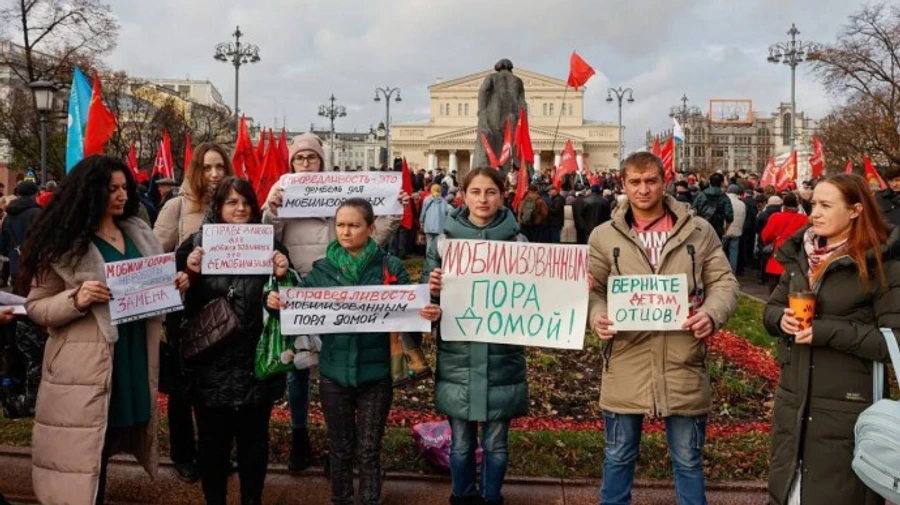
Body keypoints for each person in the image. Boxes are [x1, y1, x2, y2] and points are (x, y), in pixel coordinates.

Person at [18, 155, 190, 505]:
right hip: (84, 368)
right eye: (112, 189)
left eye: (125, 188)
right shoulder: (63, 242)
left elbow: (150, 287)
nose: (122, 195)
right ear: (89, 192)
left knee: (106, 444)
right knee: (84, 454)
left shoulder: (138, 231)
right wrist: (76, 298)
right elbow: (37, 306)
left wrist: (174, 285)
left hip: (131, 356)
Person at [267, 198, 441, 505]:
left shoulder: (391, 267)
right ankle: (341, 499)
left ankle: (370, 499)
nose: (345, 232)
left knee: (369, 449)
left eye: (354, 225)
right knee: (340, 448)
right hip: (334, 374)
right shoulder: (323, 269)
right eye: (341, 225)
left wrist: (427, 313)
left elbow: (410, 322)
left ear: (371, 228)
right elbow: (296, 309)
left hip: (377, 374)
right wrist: (277, 302)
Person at [588, 152, 739, 505]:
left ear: (664, 181)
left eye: (651, 181)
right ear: (623, 184)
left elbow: (724, 282)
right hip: (625, 360)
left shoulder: (699, 231)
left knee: (688, 460)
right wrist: (597, 315)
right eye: (635, 182)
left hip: (683, 361)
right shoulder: (603, 236)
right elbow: (594, 289)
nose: (643, 189)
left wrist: (711, 314)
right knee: (618, 455)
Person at [263, 132, 408, 472]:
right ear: (291, 163)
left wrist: (394, 210)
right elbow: (267, 235)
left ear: (321, 161)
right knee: (298, 370)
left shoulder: (341, 195)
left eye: (311, 157)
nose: (305, 164)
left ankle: (339, 448)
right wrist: (273, 210)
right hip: (303, 288)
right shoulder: (282, 192)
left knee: (337, 375)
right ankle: (300, 436)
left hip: (341, 290)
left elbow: (371, 236)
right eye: (299, 158)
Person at [763, 173, 900, 505]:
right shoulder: (801, 254)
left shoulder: (882, 263)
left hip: (848, 406)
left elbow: (892, 342)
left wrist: (824, 332)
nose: (815, 214)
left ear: (855, 210)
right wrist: (781, 319)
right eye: (813, 205)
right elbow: (771, 310)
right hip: (794, 400)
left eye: (826, 205)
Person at [177, 177, 289, 505]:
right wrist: (190, 273)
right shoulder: (195, 245)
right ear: (217, 207)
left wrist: (283, 278)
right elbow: (175, 304)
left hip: (256, 364)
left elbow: (290, 304)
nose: (240, 209)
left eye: (246, 202)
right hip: (211, 367)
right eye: (232, 202)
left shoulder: (270, 245)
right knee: (212, 449)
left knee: (254, 447)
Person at [424, 167, 528, 505]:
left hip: (502, 355)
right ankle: (462, 496)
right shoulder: (443, 243)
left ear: (502, 196)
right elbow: (426, 299)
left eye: (491, 192)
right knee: (461, 444)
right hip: (459, 355)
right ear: (463, 196)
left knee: (497, 444)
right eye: (476, 192)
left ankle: (492, 497)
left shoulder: (518, 242)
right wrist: (432, 291)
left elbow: (536, 297)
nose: (483, 199)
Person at [154, 142, 233, 482]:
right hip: (184, 308)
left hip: (224, 310)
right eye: (207, 167)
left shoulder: (234, 203)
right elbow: (155, 257)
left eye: (220, 167)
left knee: (218, 386)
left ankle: (214, 453)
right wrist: (182, 270)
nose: (214, 174)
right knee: (182, 387)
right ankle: (183, 454)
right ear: (196, 170)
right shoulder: (176, 206)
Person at [759, 193, 809, 294]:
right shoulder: (803, 219)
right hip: (795, 257)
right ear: (797, 206)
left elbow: (766, 236)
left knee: (774, 287)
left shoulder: (775, 217)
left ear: (783, 206)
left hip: (777, 254)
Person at [0, 182, 41, 294]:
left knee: (17, 296)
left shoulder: (9, 214)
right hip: (33, 263)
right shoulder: (37, 213)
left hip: (15, 261)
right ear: (34, 194)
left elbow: (4, 238)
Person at [692, 172, 733, 240]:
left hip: (702, 227)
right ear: (721, 183)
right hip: (717, 230)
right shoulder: (724, 197)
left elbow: (693, 210)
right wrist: (725, 229)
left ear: (710, 182)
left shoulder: (701, 195)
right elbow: (729, 216)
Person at [722, 185, 747, 273]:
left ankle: (722, 271)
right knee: (734, 253)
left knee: (720, 252)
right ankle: (732, 272)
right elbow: (744, 217)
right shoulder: (742, 204)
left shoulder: (724, 201)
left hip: (725, 230)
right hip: (737, 232)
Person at [420, 183, 450, 252]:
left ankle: (429, 257)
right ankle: (436, 258)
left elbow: (423, 212)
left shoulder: (427, 199)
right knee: (438, 246)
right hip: (440, 226)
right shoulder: (444, 201)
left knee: (429, 244)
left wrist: (421, 221)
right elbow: (446, 214)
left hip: (428, 225)